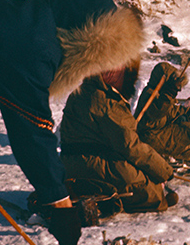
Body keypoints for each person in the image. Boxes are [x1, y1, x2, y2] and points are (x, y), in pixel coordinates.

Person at [0, 0, 145, 245]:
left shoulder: (26, 23)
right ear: (88, 47)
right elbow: (31, 131)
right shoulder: (35, 47)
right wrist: (59, 204)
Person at [59, 64, 177, 214]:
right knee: (147, 189)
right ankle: (146, 201)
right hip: (90, 163)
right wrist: (164, 170)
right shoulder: (105, 100)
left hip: (70, 164)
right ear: (108, 74)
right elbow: (131, 146)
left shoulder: (82, 91)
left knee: (134, 170)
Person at [134, 62, 190, 164]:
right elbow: (158, 112)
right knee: (187, 133)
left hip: (157, 131)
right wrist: (168, 94)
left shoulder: (161, 94)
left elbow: (172, 110)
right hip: (149, 135)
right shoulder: (151, 94)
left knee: (189, 128)